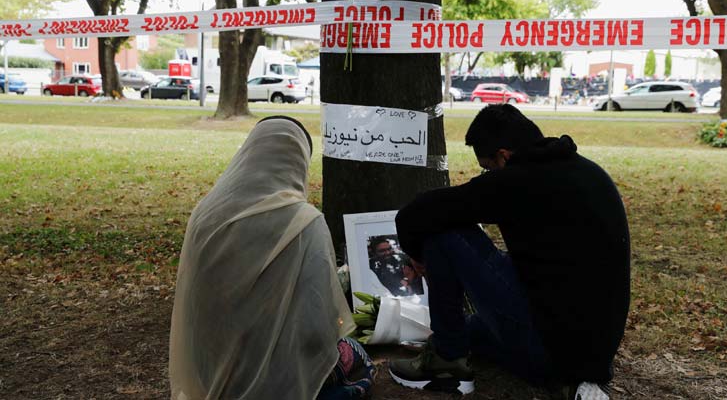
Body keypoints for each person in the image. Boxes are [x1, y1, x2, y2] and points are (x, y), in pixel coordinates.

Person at [389, 104, 630, 399]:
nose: (488, 175)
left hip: (547, 348)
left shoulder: (518, 181)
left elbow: (416, 213)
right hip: (591, 355)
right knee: (471, 330)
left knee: (443, 231)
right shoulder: (589, 172)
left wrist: (416, 254)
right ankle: (459, 342)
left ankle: (447, 361)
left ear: (503, 156)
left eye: (487, 168)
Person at [169, 116, 374, 400]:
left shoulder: (204, 216)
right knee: (357, 355)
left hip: (210, 372)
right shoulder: (304, 223)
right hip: (279, 379)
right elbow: (317, 328)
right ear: (299, 162)